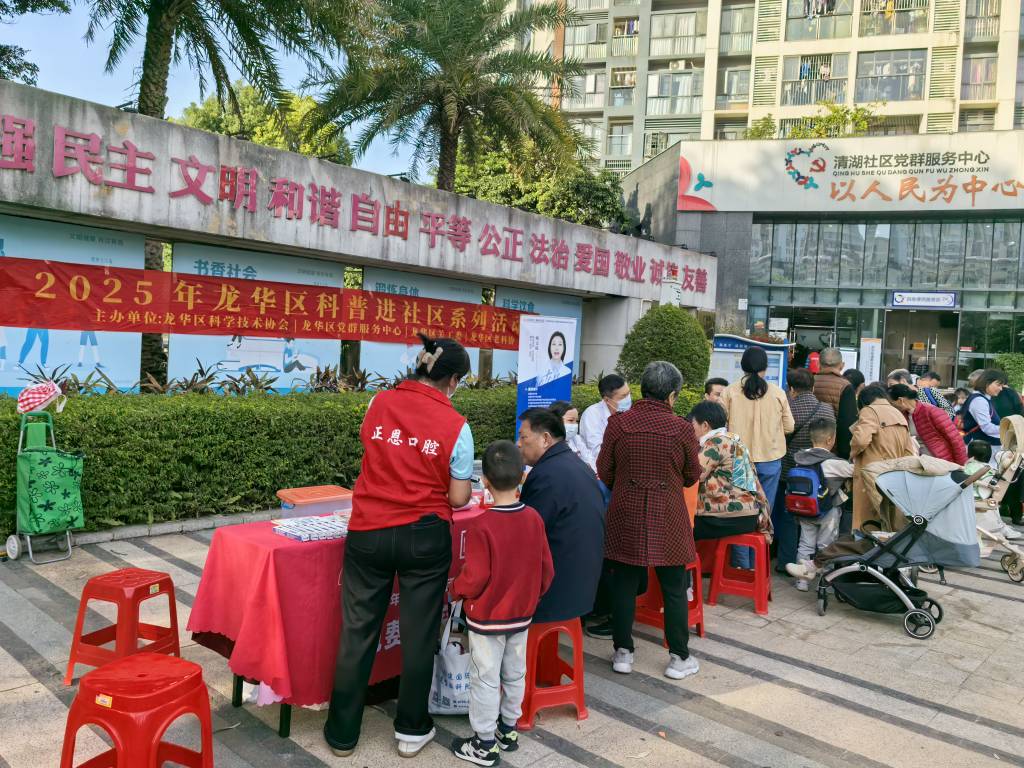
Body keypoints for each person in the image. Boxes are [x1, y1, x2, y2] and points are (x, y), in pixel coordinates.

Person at [325, 334, 474, 759]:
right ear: (453, 380)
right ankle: (411, 730)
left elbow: (373, 453)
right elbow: (459, 498)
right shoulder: (457, 426)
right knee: (419, 634)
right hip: (424, 537)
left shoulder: (378, 403)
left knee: (357, 632)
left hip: (368, 532)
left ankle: (342, 734)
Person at [450, 441, 553, 766]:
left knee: (484, 678)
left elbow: (475, 577)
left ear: (485, 481)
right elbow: (546, 569)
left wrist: (455, 590)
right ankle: (508, 730)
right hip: (522, 615)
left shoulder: (482, 525)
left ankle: (483, 743)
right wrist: (532, 597)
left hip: (486, 619)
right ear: (522, 476)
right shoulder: (534, 518)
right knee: (515, 673)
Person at [597, 361, 702, 681]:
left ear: (642, 390)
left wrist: (626, 485)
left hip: (625, 511)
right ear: (672, 396)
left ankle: (623, 652)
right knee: (674, 586)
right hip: (668, 512)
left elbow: (604, 470)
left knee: (624, 584)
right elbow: (691, 475)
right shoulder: (682, 428)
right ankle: (678, 658)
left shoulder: (618, 423)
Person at [517, 407, 606, 624]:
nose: (518, 444)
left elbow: (528, 535)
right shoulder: (576, 464)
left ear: (545, 439)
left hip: (556, 588)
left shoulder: (546, 475)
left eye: (523, 437)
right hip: (584, 582)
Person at [720, 347, 793, 568]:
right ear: (765, 367)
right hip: (770, 459)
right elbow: (789, 427)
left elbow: (720, 426)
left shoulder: (730, 392)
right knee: (764, 513)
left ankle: (741, 565)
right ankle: (758, 564)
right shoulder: (778, 393)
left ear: (743, 366)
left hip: (738, 460)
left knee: (740, 512)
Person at [690, 400, 772, 541]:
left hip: (726, 517)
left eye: (693, 424)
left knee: (679, 527)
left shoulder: (715, 442)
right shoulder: (735, 440)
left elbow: (695, 475)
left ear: (705, 425)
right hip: (749, 515)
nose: (691, 429)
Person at [788, 418, 853, 592]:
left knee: (805, 544)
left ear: (811, 438)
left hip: (804, 510)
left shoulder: (800, 458)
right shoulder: (833, 463)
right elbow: (855, 470)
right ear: (830, 439)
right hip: (827, 512)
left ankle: (802, 581)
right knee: (826, 547)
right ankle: (825, 584)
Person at [778, 368, 833, 569]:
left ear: (791, 388)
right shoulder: (826, 409)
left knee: (788, 517)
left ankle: (786, 561)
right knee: (813, 516)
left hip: (789, 471)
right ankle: (814, 565)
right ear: (813, 386)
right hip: (818, 474)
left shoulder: (787, 409)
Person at [850, 384, 915, 530]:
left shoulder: (869, 411)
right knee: (889, 524)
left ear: (863, 401)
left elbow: (860, 440)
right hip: (894, 475)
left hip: (871, 473)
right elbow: (909, 452)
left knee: (868, 525)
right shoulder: (898, 414)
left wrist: (852, 453)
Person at [889, 383, 967, 465]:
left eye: (892, 404)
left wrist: (962, 465)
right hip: (920, 463)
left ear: (901, 400)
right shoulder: (903, 415)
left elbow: (955, 439)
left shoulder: (931, 411)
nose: (891, 407)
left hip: (941, 463)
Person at [965, 440, 1023, 547]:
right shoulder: (990, 469)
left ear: (969, 454)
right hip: (982, 496)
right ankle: (1000, 526)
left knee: (993, 503)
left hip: (970, 496)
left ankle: (999, 526)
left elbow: (966, 479)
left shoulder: (969, 467)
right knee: (994, 503)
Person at [579, 373, 631, 473]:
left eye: (629, 394)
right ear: (607, 399)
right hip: (599, 471)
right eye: (623, 396)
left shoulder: (629, 412)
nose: (628, 399)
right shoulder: (592, 414)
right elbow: (597, 452)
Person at [813, 347, 857, 459]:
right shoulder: (845, 386)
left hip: (810, 443)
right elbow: (847, 423)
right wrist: (844, 453)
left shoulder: (809, 381)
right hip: (832, 448)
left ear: (818, 364)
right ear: (842, 365)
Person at [962, 369, 1006, 449]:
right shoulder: (979, 400)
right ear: (986, 382)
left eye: (1002, 386)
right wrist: (1008, 429)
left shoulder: (983, 398)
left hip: (985, 446)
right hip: (981, 449)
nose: (1001, 388)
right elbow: (987, 427)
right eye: (998, 385)